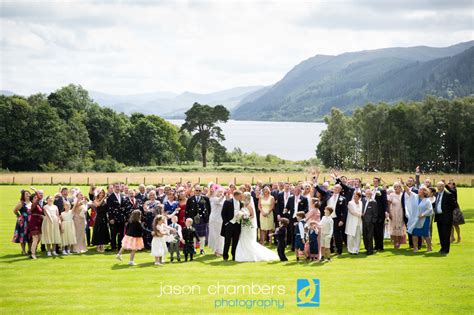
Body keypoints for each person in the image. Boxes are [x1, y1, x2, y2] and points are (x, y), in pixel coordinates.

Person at [234, 192, 279, 262]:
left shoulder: (249, 206)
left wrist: (247, 218)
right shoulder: (243, 206)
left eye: (243, 197)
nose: (242, 198)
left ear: (247, 198)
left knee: (248, 239)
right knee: (243, 237)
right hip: (243, 225)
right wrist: (241, 216)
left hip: (248, 225)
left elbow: (252, 216)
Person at [403, 183, 433, 253]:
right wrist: (404, 185)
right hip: (415, 219)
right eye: (419, 190)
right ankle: (415, 248)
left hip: (424, 219)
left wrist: (423, 214)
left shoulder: (427, 200)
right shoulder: (414, 196)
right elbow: (408, 191)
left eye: (421, 190)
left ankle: (429, 247)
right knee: (415, 234)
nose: (419, 191)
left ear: (424, 192)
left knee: (426, 234)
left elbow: (430, 210)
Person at [185, 186, 211, 255]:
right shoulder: (190, 199)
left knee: (202, 235)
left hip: (203, 219)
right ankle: (194, 249)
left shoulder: (205, 198)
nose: (198, 192)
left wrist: (207, 218)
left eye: (199, 191)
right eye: (197, 190)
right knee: (193, 235)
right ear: (194, 191)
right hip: (192, 220)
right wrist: (187, 219)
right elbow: (187, 210)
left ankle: (202, 249)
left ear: (201, 191)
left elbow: (209, 209)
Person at [283, 186, 308, 251]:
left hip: (300, 219)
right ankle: (293, 247)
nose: (296, 192)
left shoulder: (304, 198)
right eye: (295, 191)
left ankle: (302, 247)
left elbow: (306, 209)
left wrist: (301, 214)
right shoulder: (290, 198)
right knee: (293, 232)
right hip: (292, 218)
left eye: (297, 191)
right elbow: (287, 207)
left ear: (300, 191)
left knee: (301, 233)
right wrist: (286, 209)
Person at [434, 181, 456, 254]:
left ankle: (446, 249)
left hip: (446, 217)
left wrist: (447, 212)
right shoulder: (436, 194)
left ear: (443, 187)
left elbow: (454, 205)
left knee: (446, 234)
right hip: (438, 217)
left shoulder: (448, 194)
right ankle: (442, 248)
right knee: (441, 234)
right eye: (438, 186)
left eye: (441, 186)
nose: (439, 187)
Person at [107, 183, 128, 251]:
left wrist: (126, 219)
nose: (117, 188)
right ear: (113, 188)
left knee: (121, 234)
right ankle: (113, 247)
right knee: (113, 233)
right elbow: (109, 209)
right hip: (114, 219)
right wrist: (111, 218)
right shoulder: (110, 197)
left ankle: (120, 247)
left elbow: (125, 208)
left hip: (121, 219)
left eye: (118, 187)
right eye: (116, 187)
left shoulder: (123, 196)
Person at [12, 190, 31, 255]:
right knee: (23, 236)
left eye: (28, 194)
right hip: (23, 221)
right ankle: (23, 251)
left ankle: (30, 250)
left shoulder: (32, 202)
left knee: (30, 235)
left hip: (31, 221)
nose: (28, 195)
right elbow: (15, 210)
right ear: (23, 196)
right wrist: (19, 216)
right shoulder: (21, 203)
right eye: (26, 194)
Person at [91, 189, 110, 253]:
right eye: (101, 193)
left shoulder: (105, 200)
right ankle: (98, 246)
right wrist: (103, 198)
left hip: (104, 216)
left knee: (103, 231)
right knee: (98, 231)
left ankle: (102, 245)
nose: (102, 194)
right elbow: (98, 205)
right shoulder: (95, 199)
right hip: (99, 216)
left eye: (103, 193)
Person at [208, 188, 225, 256]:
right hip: (214, 219)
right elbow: (218, 200)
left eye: (222, 192)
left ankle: (221, 250)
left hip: (221, 219)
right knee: (215, 235)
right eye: (219, 192)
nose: (221, 193)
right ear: (216, 193)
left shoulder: (224, 199)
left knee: (221, 236)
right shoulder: (213, 199)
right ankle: (216, 250)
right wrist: (223, 196)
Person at [372, 177, 388, 252]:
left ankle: (380, 246)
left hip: (380, 213)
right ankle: (376, 245)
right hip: (373, 214)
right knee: (374, 230)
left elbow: (385, 202)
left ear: (378, 182)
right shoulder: (372, 191)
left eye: (376, 181)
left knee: (380, 230)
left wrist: (386, 211)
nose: (375, 182)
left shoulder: (382, 191)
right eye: (374, 181)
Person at [388, 182, 405, 249]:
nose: (396, 188)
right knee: (394, 228)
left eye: (398, 187)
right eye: (395, 187)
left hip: (401, 212)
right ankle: (395, 242)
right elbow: (389, 205)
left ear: (400, 188)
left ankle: (399, 243)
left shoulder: (403, 195)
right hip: (393, 212)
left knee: (400, 227)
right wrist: (389, 213)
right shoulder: (391, 195)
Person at [362, 189, 378, 255]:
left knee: (369, 236)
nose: (367, 194)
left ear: (371, 194)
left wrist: (373, 222)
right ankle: (366, 248)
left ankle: (370, 250)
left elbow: (375, 213)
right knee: (365, 236)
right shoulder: (363, 200)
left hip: (370, 222)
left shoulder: (373, 202)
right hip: (363, 221)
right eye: (366, 193)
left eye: (369, 193)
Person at [28, 193, 44, 259]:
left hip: (39, 222)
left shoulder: (38, 205)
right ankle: (33, 254)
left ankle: (32, 250)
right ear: (32, 200)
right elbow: (39, 198)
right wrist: (35, 191)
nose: (36, 198)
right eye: (34, 198)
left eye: (36, 197)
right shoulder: (33, 204)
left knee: (39, 238)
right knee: (35, 238)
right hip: (33, 222)